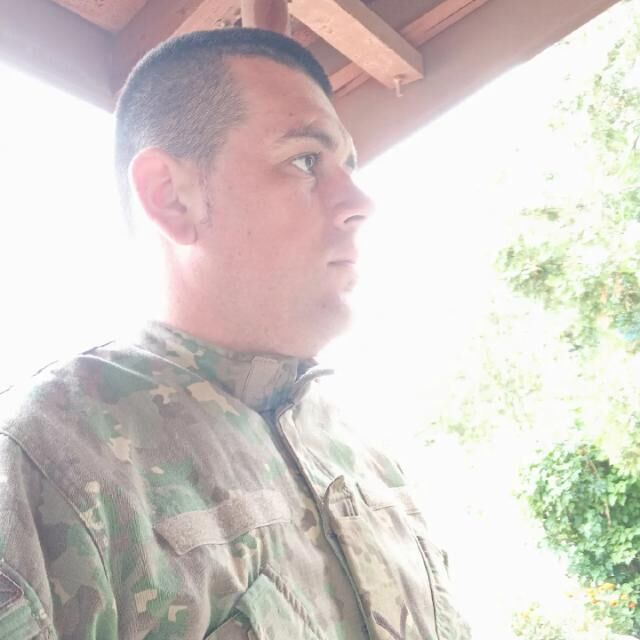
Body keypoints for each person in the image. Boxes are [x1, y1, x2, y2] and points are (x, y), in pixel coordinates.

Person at [0, 28, 470, 639]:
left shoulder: (364, 453)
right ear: (173, 198)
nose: (359, 201)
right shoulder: (44, 461)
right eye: (306, 160)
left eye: (348, 167)